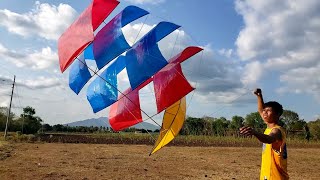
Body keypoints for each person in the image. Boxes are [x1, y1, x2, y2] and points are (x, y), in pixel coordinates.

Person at [240, 88, 289, 180]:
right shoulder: (269, 128)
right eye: (264, 111)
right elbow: (261, 110)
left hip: (275, 177)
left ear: (277, 114)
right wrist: (259, 96)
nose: (265, 113)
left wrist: (254, 132)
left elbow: (269, 139)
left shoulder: (277, 131)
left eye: (268, 111)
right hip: (267, 175)